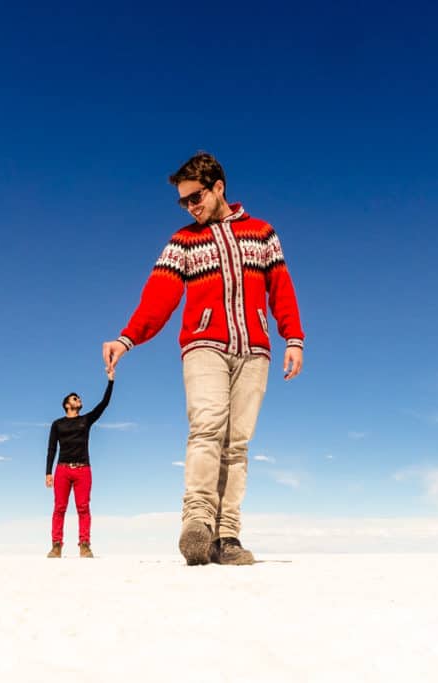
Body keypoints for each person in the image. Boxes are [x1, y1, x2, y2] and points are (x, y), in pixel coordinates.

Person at [102, 152, 304, 565]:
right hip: (203, 344)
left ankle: (226, 537)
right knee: (207, 428)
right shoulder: (182, 242)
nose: (190, 207)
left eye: (195, 197)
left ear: (218, 188)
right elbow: (158, 297)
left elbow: (281, 288)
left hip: (255, 350)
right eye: (183, 202)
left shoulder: (262, 233)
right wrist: (127, 338)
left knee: (237, 444)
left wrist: (294, 339)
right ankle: (196, 524)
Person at [45, 369, 114, 558]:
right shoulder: (57, 424)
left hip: (83, 469)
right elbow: (51, 448)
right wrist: (48, 472)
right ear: (67, 405)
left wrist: (110, 381)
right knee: (59, 508)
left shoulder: (86, 420)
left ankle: (85, 545)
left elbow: (104, 404)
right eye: (75, 398)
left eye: (79, 398)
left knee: (83, 507)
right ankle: (56, 546)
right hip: (62, 470)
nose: (79, 400)